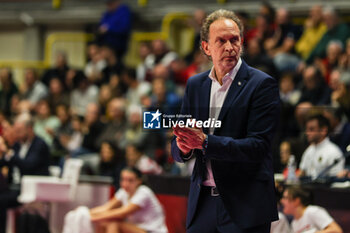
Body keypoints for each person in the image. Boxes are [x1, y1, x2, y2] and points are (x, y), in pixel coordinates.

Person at [171, 9, 280, 233]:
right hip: (203, 205)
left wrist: (205, 143)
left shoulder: (261, 84)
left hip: (244, 205)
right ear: (206, 47)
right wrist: (183, 147)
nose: (229, 47)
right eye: (221, 41)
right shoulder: (195, 85)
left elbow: (258, 147)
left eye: (234, 40)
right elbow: (178, 145)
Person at [63, 167, 168, 233]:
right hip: (136, 228)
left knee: (114, 223)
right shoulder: (123, 191)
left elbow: (121, 213)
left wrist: (92, 217)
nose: (125, 184)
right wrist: (85, 212)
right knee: (103, 223)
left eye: (130, 180)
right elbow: (107, 207)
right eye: (123, 180)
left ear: (139, 181)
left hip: (153, 231)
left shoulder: (144, 192)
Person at [0, 113, 50, 233]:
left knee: (0, 201)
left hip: (31, 191)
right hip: (14, 188)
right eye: (15, 130)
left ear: (30, 129)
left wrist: (9, 153)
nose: (16, 134)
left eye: (19, 131)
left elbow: (28, 166)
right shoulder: (18, 145)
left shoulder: (40, 145)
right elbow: (6, 162)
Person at [299, 114, 344, 179]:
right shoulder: (309, 150)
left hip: (325, 188)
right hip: (307, 187)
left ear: (323, 130)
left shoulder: (334, 152)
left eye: (311, 129)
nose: (307, 133)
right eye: (307, 129)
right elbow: (301, 173)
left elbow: (337, 180)